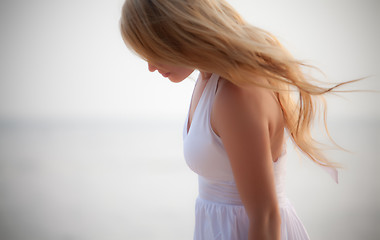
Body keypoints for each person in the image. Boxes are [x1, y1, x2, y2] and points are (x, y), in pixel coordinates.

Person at [119, 0, 354, 239]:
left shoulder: (235, 93)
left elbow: (265, 216)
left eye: (152, 49)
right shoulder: (207, 79)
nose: (149, 66)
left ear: (179, 32)